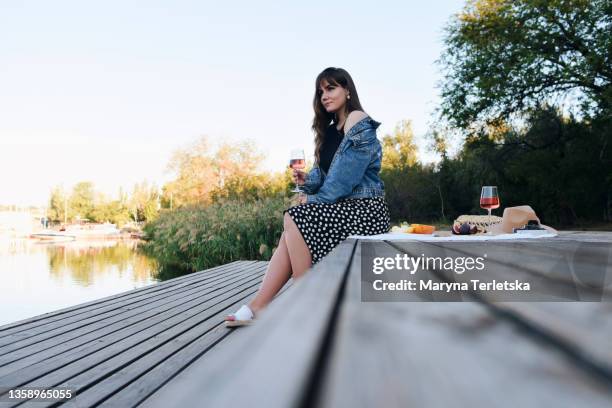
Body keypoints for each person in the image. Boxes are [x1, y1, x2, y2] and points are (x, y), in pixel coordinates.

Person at [225, 67, 390, 327]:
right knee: (290, 230)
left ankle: (304, 302)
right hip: (342, 210)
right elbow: (324, 176)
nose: (324, 95)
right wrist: (306, 181)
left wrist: (311, 200)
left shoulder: (358, 121)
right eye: (320, 91)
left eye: (331, 88)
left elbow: (344, 179)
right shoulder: (332, 129)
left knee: (295, 217)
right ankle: (259, 305)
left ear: (347, 91)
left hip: (365, 211)